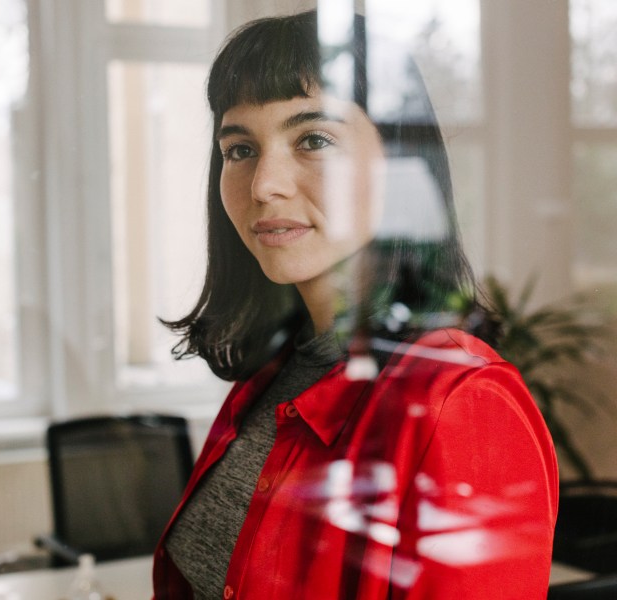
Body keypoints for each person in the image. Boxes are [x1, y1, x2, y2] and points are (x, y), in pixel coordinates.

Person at [152, 9, 558, 599]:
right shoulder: (273, 371)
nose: (264, 183)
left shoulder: (461, 405)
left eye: (314, 139)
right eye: (239, 149)